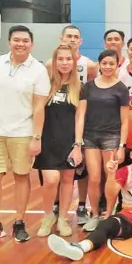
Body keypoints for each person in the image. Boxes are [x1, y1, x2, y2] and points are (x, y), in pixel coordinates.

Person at [0, 25, 50, 243]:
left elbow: (39, 107)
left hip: (23, 133)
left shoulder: (39, 70)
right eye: (16, 40)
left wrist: (36, 137)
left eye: (25, 41)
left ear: (31, 44)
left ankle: (19, 222)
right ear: (9, 42)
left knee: (21, 177)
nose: (20, 44)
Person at [46, 138, 132, 262]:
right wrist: (110, 175)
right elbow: (111, 195)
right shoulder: (125, 171)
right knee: (105, 225)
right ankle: (80, 248)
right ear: (131, 155)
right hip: (129, 215)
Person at [44, 25, 96, 225]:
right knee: (52, 177)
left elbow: (89, 90)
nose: (72, 40)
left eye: (76, 37)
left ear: (80, 41)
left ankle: (80, 206)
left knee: (78, 172)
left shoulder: (89, 65)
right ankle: (54, 209)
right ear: (62, 38)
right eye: (69, 36)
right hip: (53, 126)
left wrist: (78, 140)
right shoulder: (49, 65)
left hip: (78, 121)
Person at [34, 44, 85, 238]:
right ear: (54, 62)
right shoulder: (45, 84)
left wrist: (78, 145)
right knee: (51, 180)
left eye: (68, 59)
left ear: (74, 62)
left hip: (69, 142)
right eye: (60, 59)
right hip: (47, 141)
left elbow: (80, 117)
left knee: (67, 181)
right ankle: (48, 216)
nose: (64, 63)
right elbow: (38, 112)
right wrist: (36, 138)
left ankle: (62, 218)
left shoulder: (79, 87)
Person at [76, 49, 130, 232]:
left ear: (117, 65)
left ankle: (108, 214)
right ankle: (95, 214)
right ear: (99, 64)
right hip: (90, 137)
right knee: (94, 178)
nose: (107, 67)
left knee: (110, 177)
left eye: (111, 64)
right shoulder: (88, 87)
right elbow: (81, 115)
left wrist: (122, 145)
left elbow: (125, 121)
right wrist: (78, 140)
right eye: (104, 63)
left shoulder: (121, 88)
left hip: (112, 138)